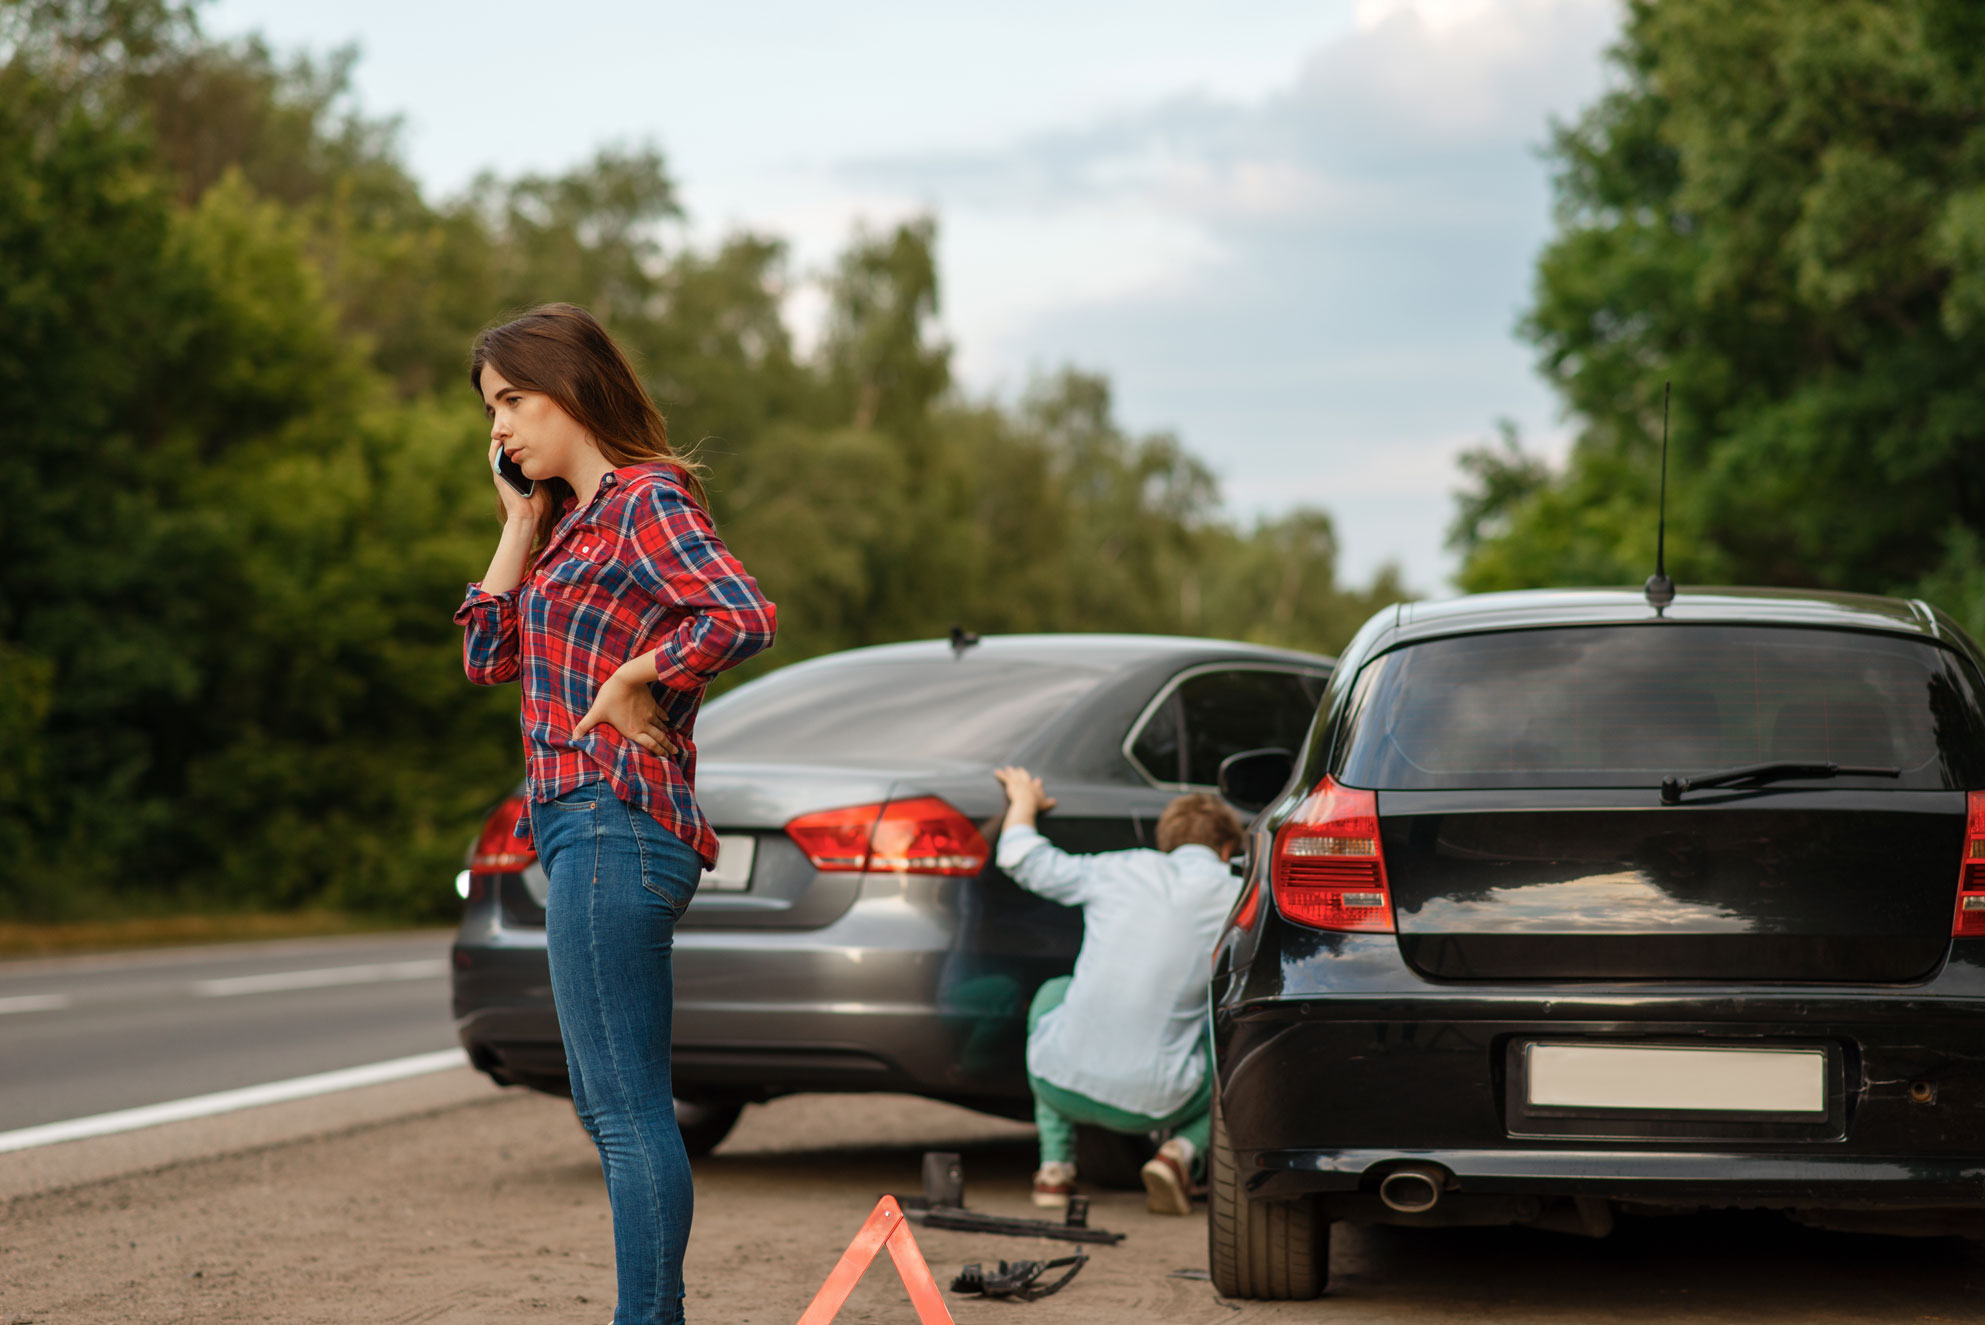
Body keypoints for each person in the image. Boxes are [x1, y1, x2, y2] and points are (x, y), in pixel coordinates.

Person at [455, 303, 776, 1325]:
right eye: (488, 409)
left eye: (513, 400)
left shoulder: (644, 497)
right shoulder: (568, 526)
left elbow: (742, 613)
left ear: (571, 386)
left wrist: (642, 671)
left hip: (612, 815)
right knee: (615, 1107)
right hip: (581, 825)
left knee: (628, 1111)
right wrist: (515, 522)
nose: (497, 428)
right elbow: (484, 657)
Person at [991, 765, 1244, 1217]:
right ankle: (1180, 1155)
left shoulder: (1120, 868)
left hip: (1057, 1082)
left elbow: (1022, 859)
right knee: (1241, 1044)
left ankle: (1053, 1171)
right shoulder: (1237, 894)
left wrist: (1024, 801)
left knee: (1055, 992)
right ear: (1227, 849)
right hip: (1155, 1106)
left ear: (1164, 842)